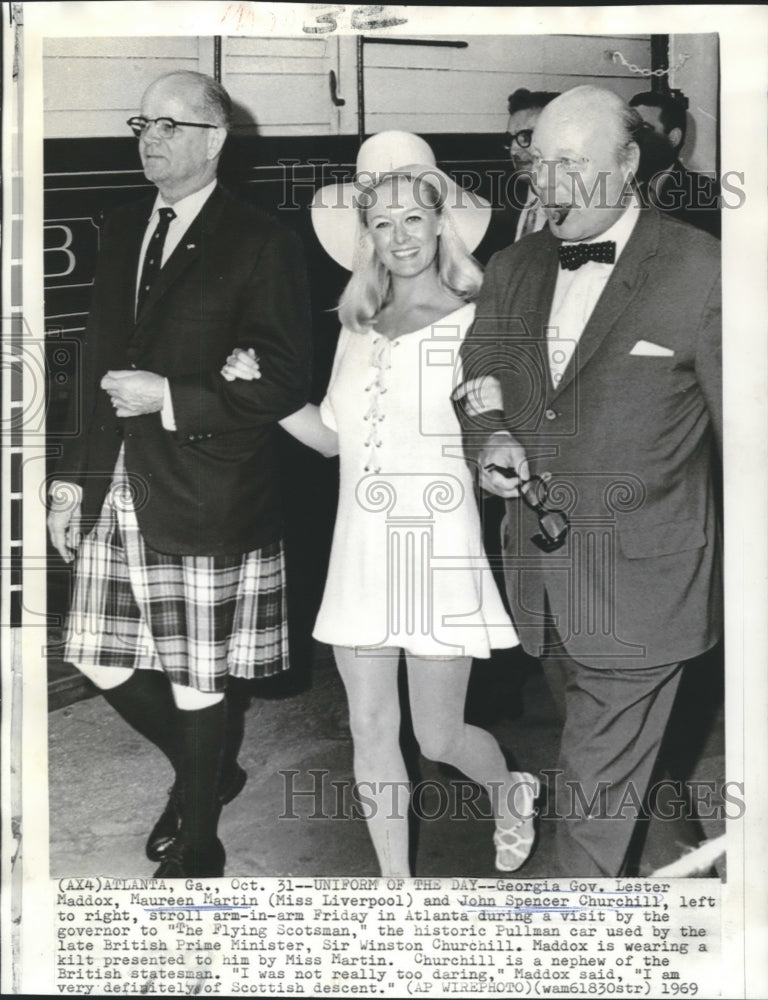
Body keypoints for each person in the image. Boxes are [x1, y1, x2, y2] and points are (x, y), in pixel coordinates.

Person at [221, 131, 538, 877]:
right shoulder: (354, 323)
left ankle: (508, 787)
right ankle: (395, 891)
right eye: (382, 223)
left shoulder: (477, 316)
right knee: (369, 726)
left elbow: (503, 424)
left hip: (437, 541)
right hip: (360, 545)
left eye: (413, 220)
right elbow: (331, 439)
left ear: (440, 223)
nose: (398, 238)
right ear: (367, 233)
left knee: (435, 736)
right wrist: (262, 393)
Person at [47, 71, 312, 877]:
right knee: (95, 653)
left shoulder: (263, 239)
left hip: (210, 484)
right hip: (121, 482)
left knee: (199, 678)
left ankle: (201, 839)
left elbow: (287, 378)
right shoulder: (124, 224)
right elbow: (98, 362)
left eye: (168, 124)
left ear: (215, 138)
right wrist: (71, 484)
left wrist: (173, 395)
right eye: (141, 123)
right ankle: (210, 773)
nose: (148, 138)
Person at [454, 86, 722, 876]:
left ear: (630, 162)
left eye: (572, 163)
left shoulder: (705, 271)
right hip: (542, 578)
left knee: (589, 801)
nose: (549, 184)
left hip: (647, 582)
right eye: (539, 162)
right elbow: (480, 372)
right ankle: (687, 880)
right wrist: (490, 434)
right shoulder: (512, 266)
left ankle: (583, 944)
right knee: (625, 755)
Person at [630, 90, 721, 238]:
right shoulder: (613, 186)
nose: (633, 138)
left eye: (645, 129)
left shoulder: (706, 195)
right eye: (630, 129)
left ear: (673, 138)